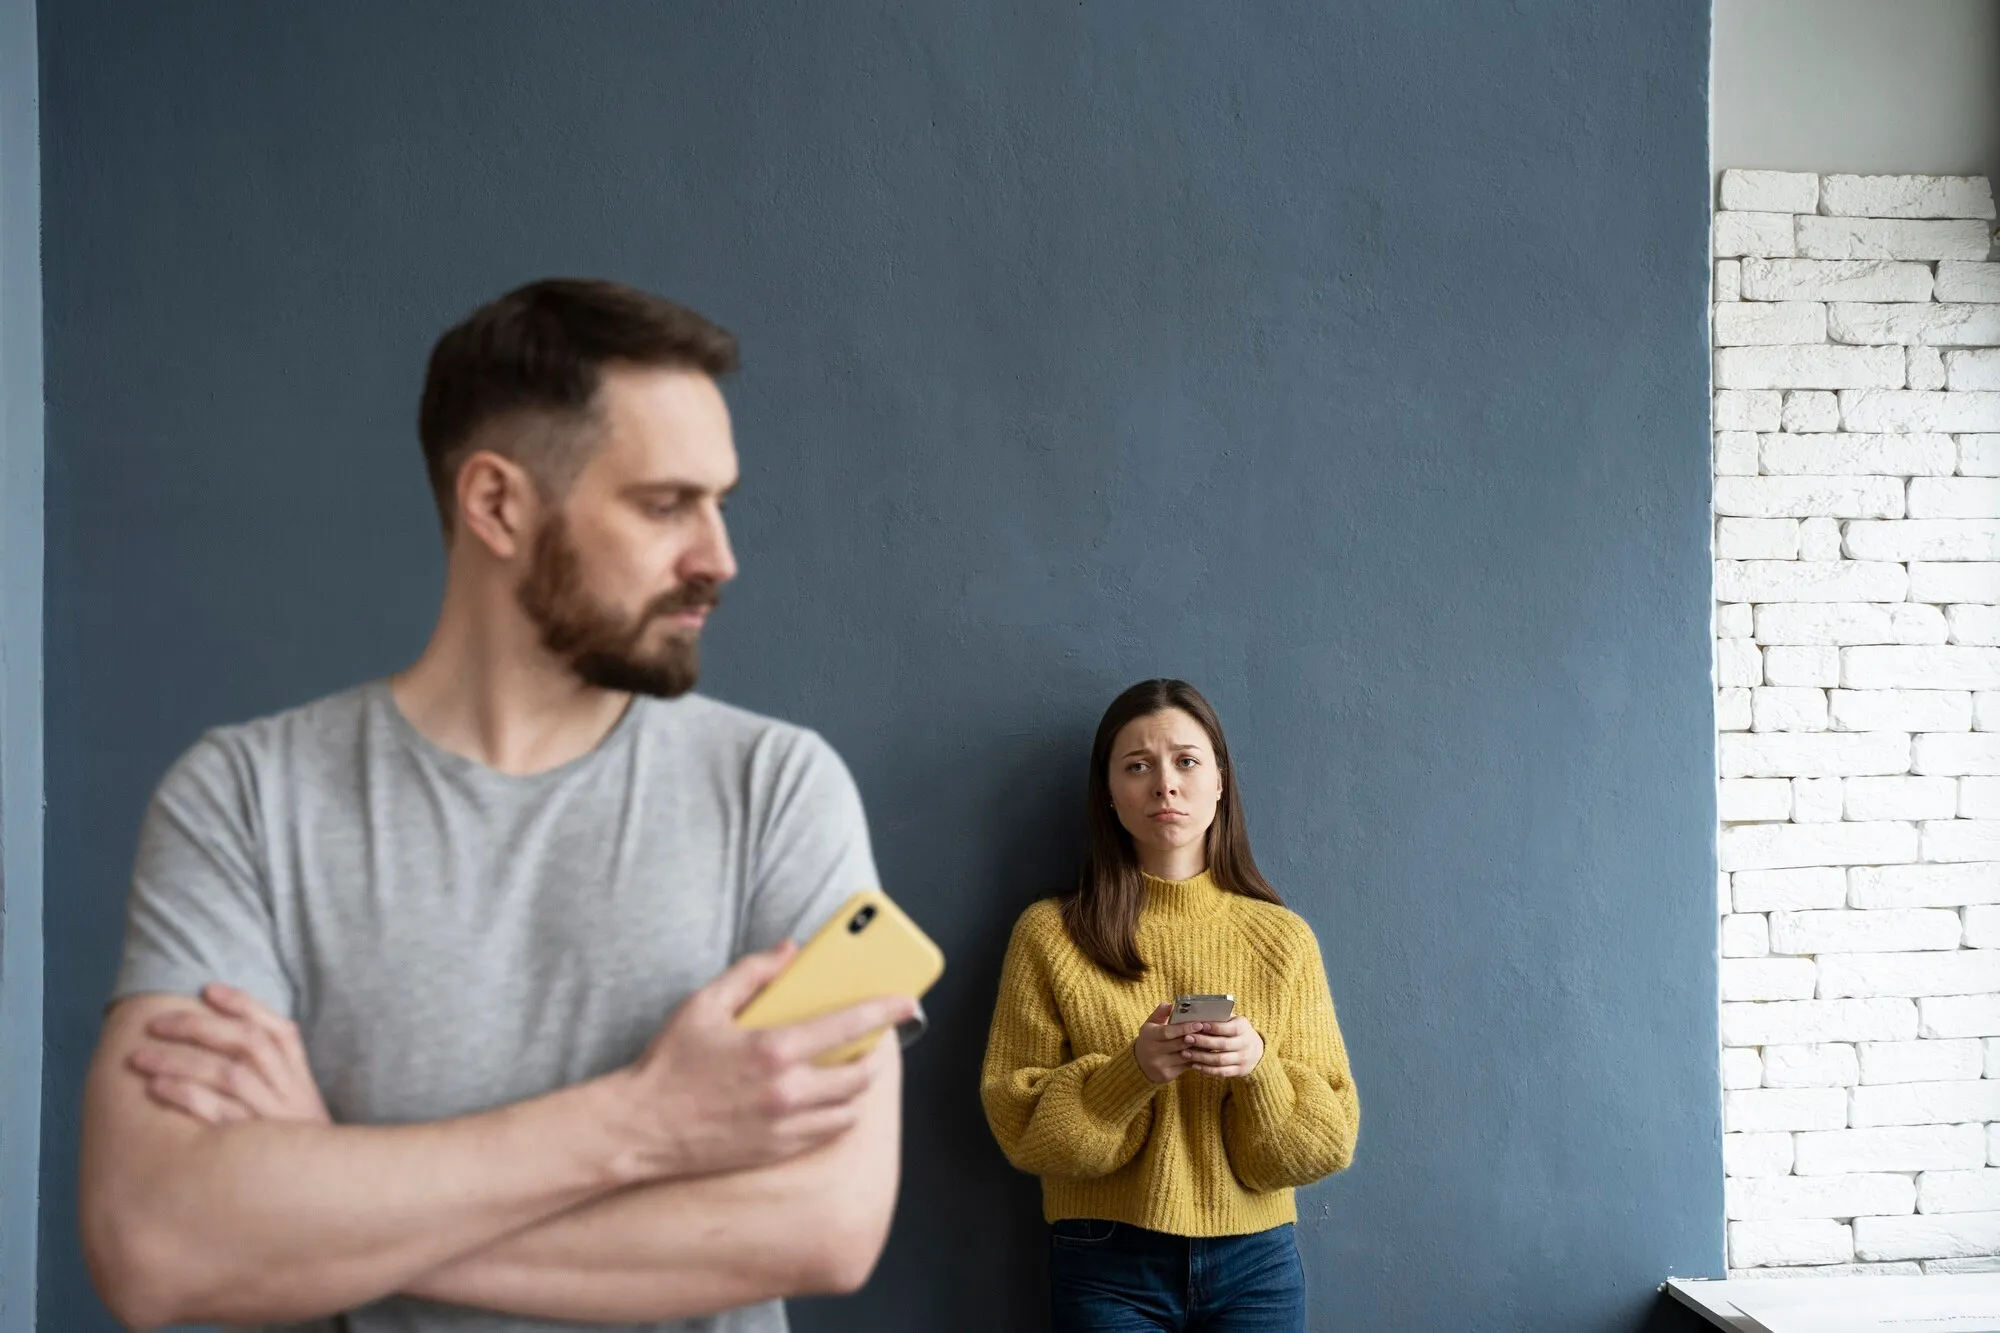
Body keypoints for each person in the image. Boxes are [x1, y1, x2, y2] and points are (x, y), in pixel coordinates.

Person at [78, 279, 917, 1333]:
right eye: (665, 505)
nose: (719, 558)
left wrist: (329, 1187)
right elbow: (154, 1245)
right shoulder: (243, 797)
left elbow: (824, 1226)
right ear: (497, 504)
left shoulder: (779, 789)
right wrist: (646, 1122)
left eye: (720, 501)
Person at [981, 678, 1359, 1332]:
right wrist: (1132, 1071)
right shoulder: (1049, 934)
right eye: (1137, 765)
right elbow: (1018, 1121)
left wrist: (1257, 1066)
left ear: (1220, 781)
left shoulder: (1284, 939)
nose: (1165, 783)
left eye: (1186, 760)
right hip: (1106, 1258)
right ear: (1108, 791)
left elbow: (1326, 1142)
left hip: (1255, 1262)